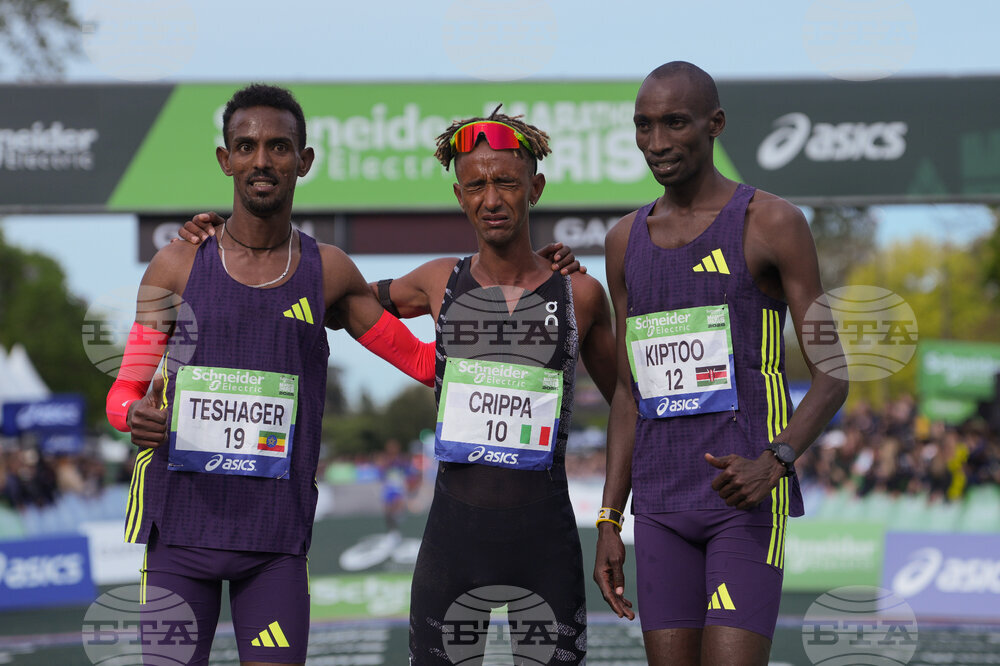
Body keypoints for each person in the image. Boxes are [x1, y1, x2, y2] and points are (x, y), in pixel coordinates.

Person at [105, 84, 438, 666]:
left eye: (280, 147)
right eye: (247, 145)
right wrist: (131, 415)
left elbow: (418, 361)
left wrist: (492, 299)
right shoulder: (178, 263)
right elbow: (125, 390)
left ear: (304, 161)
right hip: (180, 533)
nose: (262, 160)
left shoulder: (328, 271)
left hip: (274, 544)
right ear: (225, 158)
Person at [594, 62, 849, 665]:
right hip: (659, 505)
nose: (656, 143)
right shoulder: (622, 240)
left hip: (743, 498)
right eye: (643, 125)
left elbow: (834, 374)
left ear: (716, 125)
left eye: (675, 123)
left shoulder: (772, 222)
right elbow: (630, 396)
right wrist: (610, 517)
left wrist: (775, 462)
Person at [373, 110, 616, 665]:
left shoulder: (579, 294)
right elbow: (340, 299)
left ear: (535, 187)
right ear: (459, 195)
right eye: (476, 185)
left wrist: (610, 518)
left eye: (506, 182)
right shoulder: (440, 281)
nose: (492, 199)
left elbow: (626, 399)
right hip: (452, 545)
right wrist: (415, 357)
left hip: (546, 545)